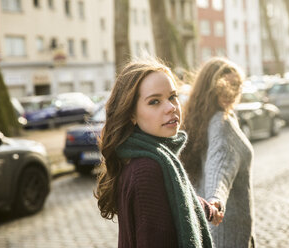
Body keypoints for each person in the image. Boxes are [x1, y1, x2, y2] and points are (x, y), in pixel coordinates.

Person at [94, 59, 222, 248]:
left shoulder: (150, 157)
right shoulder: (147, 169)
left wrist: (209, 210)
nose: (171, 107)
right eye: (154, 101)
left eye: (172, 96)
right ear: (131, 115)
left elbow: (180, 199)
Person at [181, 57, 256, 248]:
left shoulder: (198, 120)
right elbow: (219, 166)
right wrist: (216, 199)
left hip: (211, 225)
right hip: (226, 230)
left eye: (238, 85)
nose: (235, 90)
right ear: (211, 88)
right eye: (228, 85)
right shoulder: (221, 123)